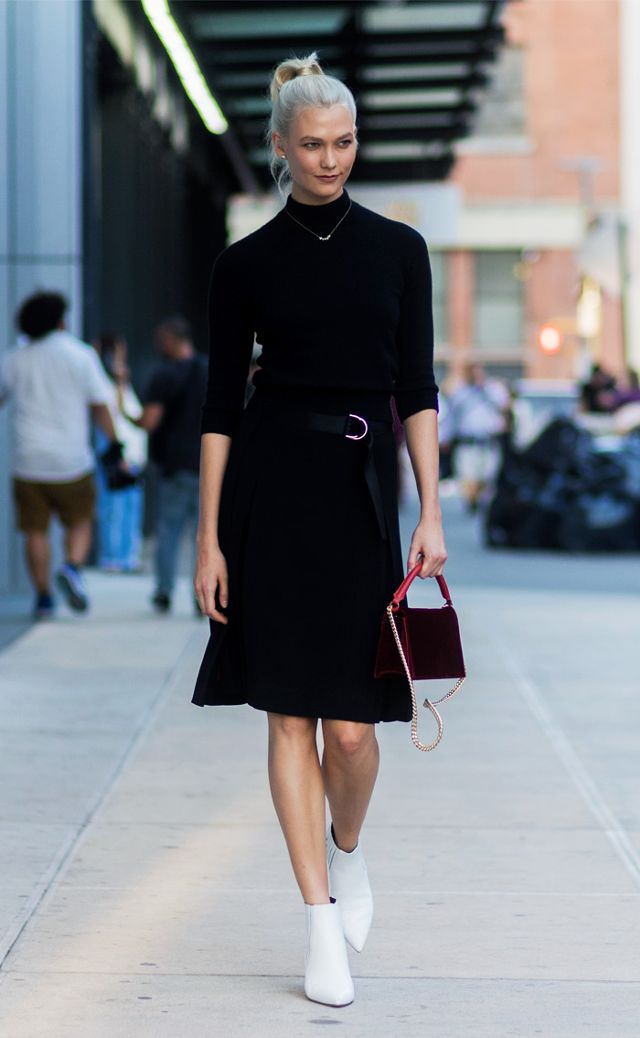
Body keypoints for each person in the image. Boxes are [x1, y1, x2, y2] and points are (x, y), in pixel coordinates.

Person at [192, 54, 447, 1008]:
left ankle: (349, 853)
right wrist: (209, 540)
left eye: (343, 142)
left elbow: (415, 389)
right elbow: (219, 408)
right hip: (271, 496)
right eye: (312, 144)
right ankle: (315, 922)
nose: (330, 158)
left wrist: (431, 508)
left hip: (360, 500)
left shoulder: (398, 251)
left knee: (352, 735)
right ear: (279, 147)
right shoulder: (245, 263)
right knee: (288, 713)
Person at [0, 291, 121, 617]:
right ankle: (72, 567)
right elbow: (100, 405)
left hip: (28, 462)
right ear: (60, 321)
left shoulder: (15, 359)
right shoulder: (80, 355)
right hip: (72, 461)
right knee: (80, 521)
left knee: (34, 531)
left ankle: (42, 598)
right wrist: (114, 445)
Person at [133, 317, 207, 613]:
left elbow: (149, 421)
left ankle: (164, 591)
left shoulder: (164, 375)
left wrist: (127, 417)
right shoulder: (209, 370)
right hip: (206, 464)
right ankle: (202, 595)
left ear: (170, 339)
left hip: (174, 465)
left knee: (169, 530)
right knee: (204, 533)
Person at [94, 334, 147, 572]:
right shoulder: (105, 386)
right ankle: (113, 556)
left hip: (133, 454)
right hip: (118, 452)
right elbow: (115, 421)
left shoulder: (124, 387)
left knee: (130, 505)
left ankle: (128, 555)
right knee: (113, 507)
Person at [440, 361, 510, 512]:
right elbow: (451, 417)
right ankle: (471, 503)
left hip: (488, 443)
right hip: (467, 443)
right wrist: (445, 438)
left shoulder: (492, 390)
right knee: (468, 477)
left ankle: (479, 501)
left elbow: (504, 407)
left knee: (487, 478)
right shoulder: (461, 393)